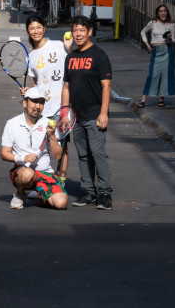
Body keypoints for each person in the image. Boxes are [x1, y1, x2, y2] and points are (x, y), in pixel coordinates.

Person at [62, 18, 112, 209]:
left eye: (82, 30)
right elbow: (66, 87)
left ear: (89, 32)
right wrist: (65, 113)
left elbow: (106, 85)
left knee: (98, 154)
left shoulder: (99, 56)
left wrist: (104, 113)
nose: (78, 34)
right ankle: (88, 192)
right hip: (77, 116)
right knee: (83, 155)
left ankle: (105, 194)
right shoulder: (71, 57)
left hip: (95, 114)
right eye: (75, 31)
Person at [0, 86, 67, 210]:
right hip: (22, 171)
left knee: (61, 203)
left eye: (41, 103)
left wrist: (51, 136)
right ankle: (20, 194)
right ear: (25, 103)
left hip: (46, 173)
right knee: (26, 174)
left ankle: (41, 193)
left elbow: (58, 156)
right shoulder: (12, 124)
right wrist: (23, 157)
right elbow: (4, 154)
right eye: (34, 102)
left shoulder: (48, 123)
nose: (38, 106)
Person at [24, 16, 70, 184]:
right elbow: (36, 83)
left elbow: (72, 53)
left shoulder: (58, 45)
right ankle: (43, 181)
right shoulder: (31, 56)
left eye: (38, 27)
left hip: (61, 105)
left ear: (44, 29)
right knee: (42, 147)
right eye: (32, 29)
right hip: (43, 108)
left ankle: (61, 181)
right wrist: (28, 91)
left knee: (62, 145)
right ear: (28, 32)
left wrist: (70, 40)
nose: (35, 31)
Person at [138, 4, 175, 108]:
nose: (163, 13)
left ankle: (161, 99)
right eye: (160, 11)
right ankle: (143, 100)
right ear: (157, 13)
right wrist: (147, 44)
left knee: (164, 76)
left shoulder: (171, 25)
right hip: (156, 51)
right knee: (152, 75)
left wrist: (169, 38)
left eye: (164, 11)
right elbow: (143, 32)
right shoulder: (153, 23)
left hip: (167, 51)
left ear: (167, 13)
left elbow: (173, 41)